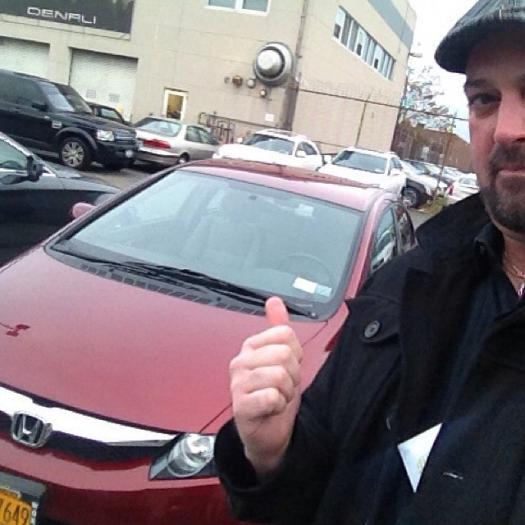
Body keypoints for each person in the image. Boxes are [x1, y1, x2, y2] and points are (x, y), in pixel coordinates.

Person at [214, 1, 525, 523]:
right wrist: (272, 454)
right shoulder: (403, 287)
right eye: (484, 99)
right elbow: (318, 490)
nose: (506, 129)